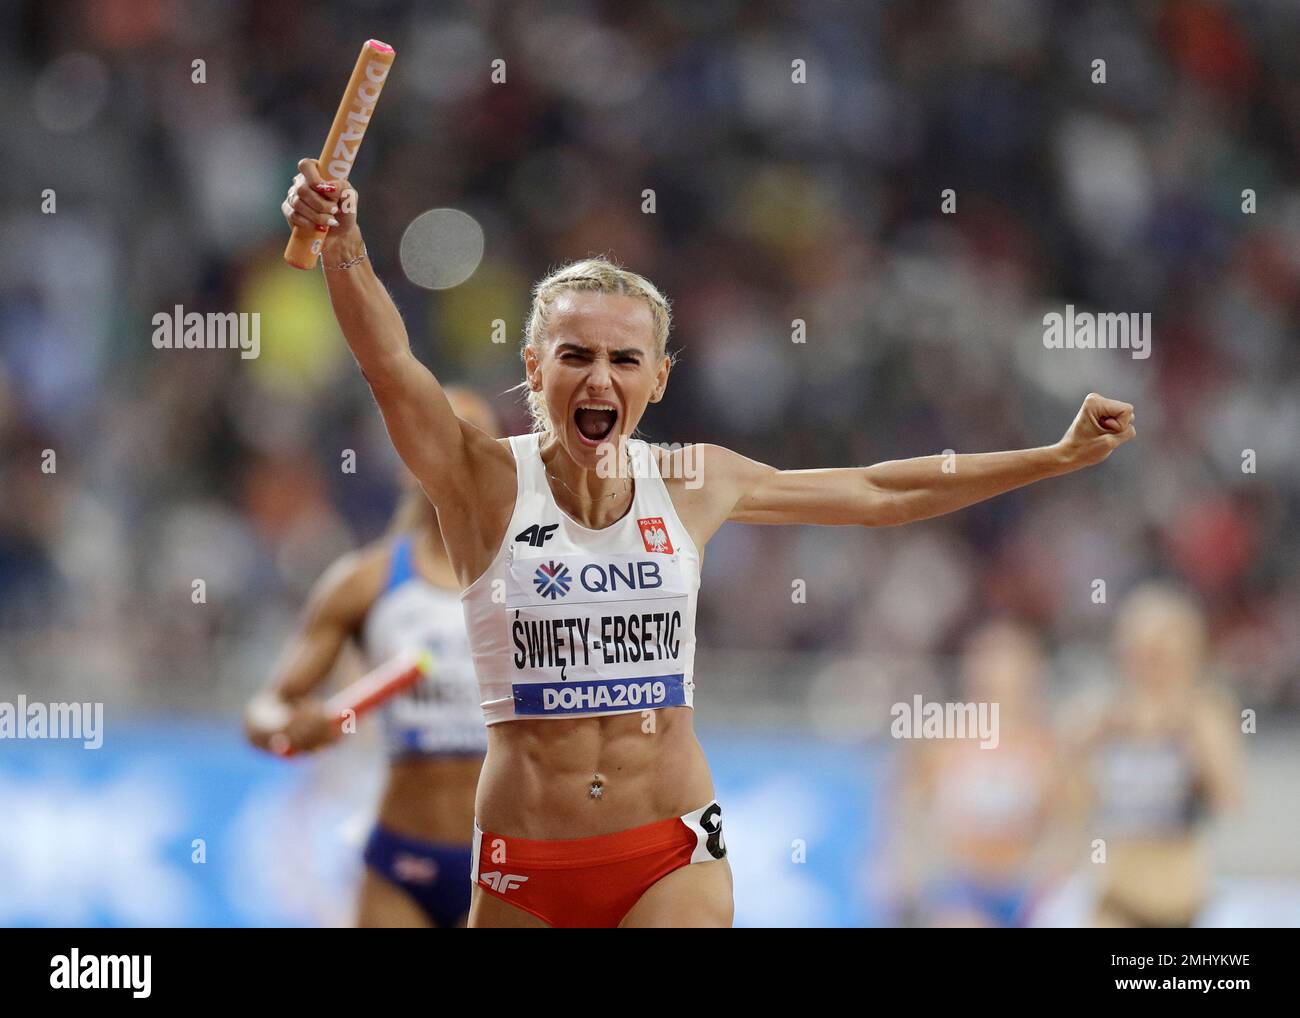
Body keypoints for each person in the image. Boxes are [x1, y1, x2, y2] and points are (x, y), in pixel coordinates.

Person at [280, 159, 1137, 927]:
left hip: (671, 852)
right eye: (575, 354)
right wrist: (344, 241)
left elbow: (881, 491)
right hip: (521, 865)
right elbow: (390, 365)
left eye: (625, 359)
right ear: (534, 367)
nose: (599, 377)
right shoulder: (480, 481)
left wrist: (1054, 456)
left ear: (658, 377)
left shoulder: (695, 479)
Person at [245, 387, 500, 928]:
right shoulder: (365, 583)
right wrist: (293, 728)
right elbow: (266, 708)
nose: (455, 454)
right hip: (400, 861)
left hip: (508, 867)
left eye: (473, 442)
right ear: (409, 457)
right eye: (435, 438)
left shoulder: (538, 579)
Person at [1068, 583, 1240, 927]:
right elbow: (1069, 802)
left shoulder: (1205, 714)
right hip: (1116, 898)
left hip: (1182, 901)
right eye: (1143, 651)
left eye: (1163, 651)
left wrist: (1187, 728)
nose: (1152, 663)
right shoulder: (1102, 715)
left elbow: (1228, 797)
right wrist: (1094, 738)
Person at [897, 622, 1068, 927]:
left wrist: (1047, 872)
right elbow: (908, 808)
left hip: (1022, 885)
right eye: (988, 663)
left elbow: (1066, 819)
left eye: (1009, 665)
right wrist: (917, 869)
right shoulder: (946, 739)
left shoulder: (1044, 743)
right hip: (961, 885)